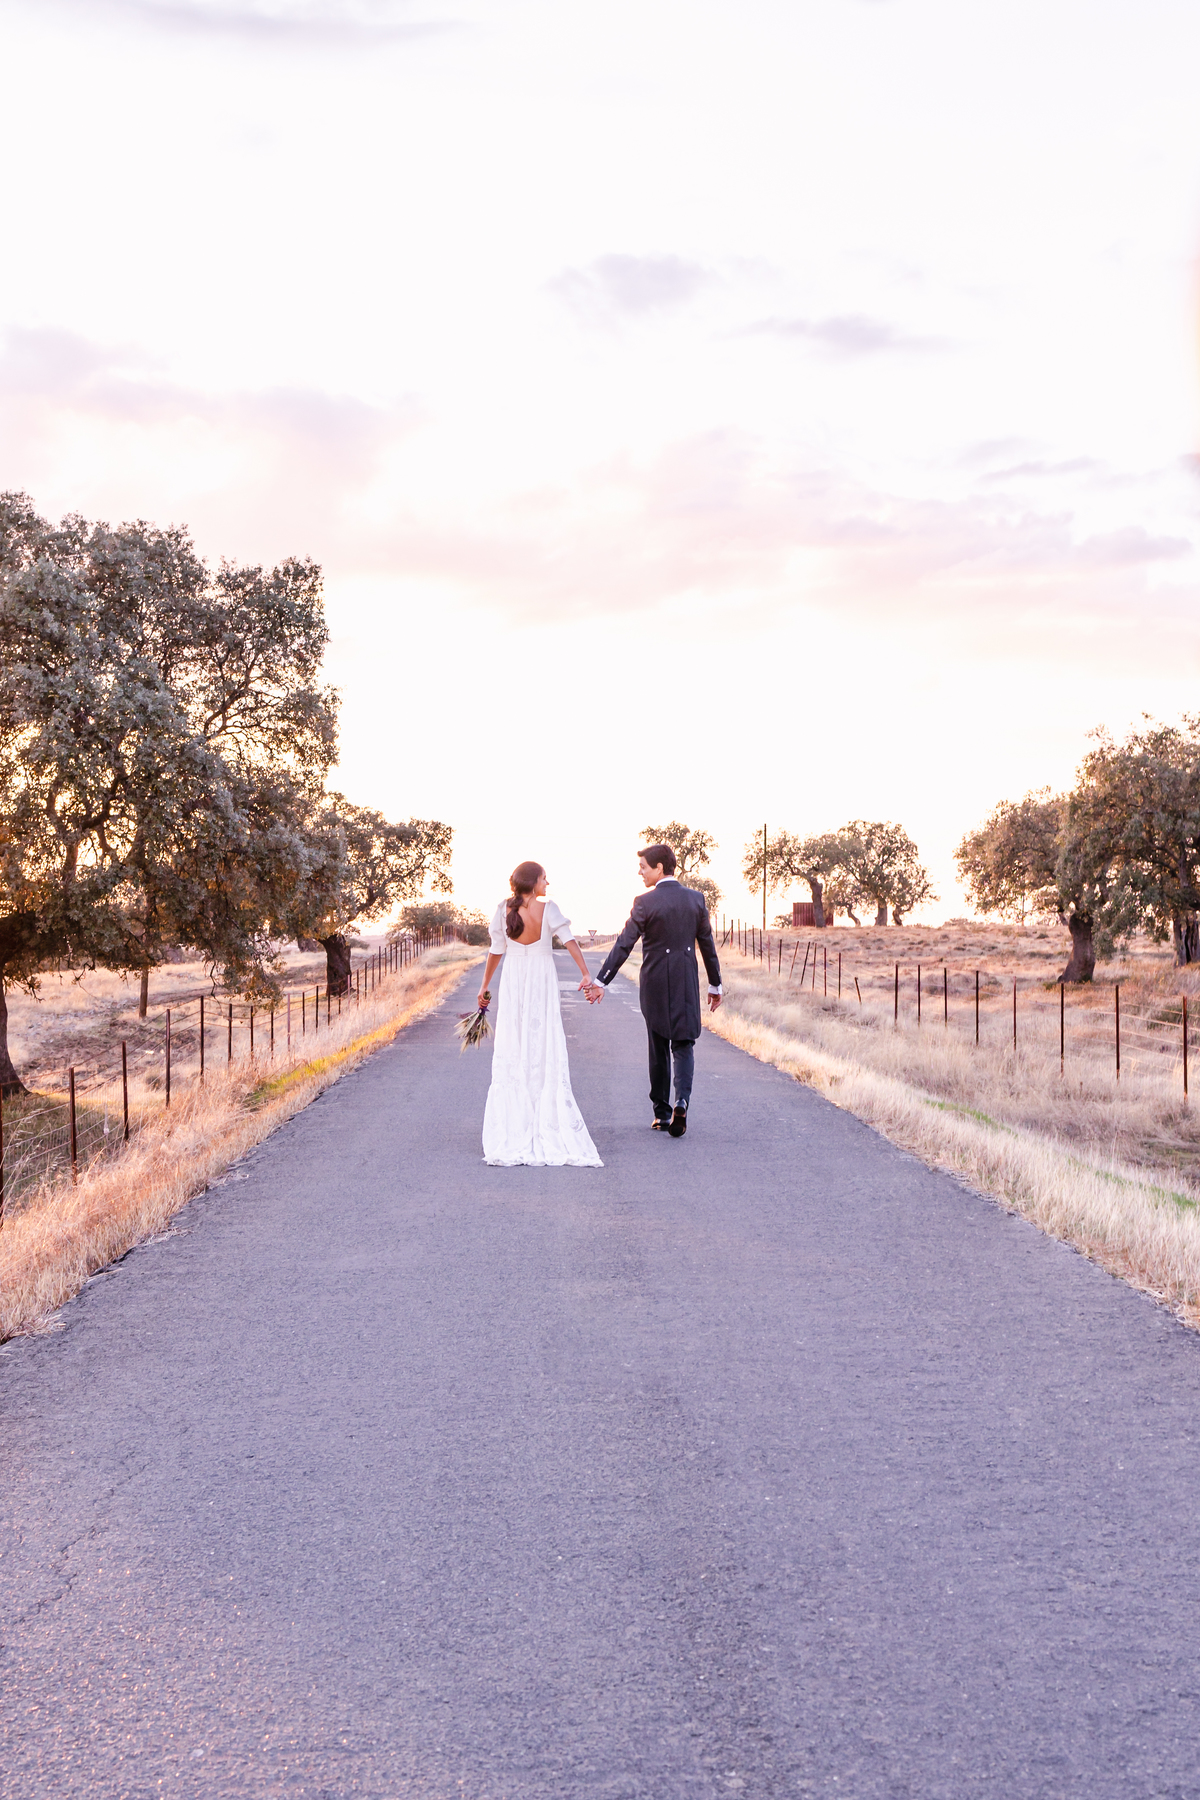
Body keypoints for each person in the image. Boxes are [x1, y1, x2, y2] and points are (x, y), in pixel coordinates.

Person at [582, 843, 722, 1137]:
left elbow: (624, 943)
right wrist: (715, 984)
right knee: (683, 1044)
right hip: (684, 978)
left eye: (643, 866)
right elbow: (707, 945)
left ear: (659, 868)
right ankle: (682, 1100)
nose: (640, 871)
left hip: (655, 981)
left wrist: (600, 981)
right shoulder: (696, 900)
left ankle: (662, 1114)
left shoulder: (644, 902)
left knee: (658, 1045)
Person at [478, 861, 602, 1168]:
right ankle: (542, 1115)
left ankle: (516, 1122)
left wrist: (484, 986)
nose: (548, 883)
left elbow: (496, 951)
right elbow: (569, 941)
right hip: (541, 977)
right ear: (533, 882)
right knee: (542, 1035)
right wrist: (586, 973)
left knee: (515, 1038)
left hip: (514, 979)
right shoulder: (548, 909)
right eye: (545, 878)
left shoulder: (502, 909)